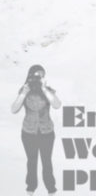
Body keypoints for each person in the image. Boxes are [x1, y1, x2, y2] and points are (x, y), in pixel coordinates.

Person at [11, 64, 61, 195]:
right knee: (31, 162)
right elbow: (14, 109)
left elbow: (57, 105)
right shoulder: (24, 90)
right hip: (28, 133)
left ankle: (51, 189)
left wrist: (44, 89)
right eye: (37, 75)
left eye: (42, 76)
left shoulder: (47, 90)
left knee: (46, 162)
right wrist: (24, 93)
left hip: (47, 133)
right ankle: (30, 189)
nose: (39, 78)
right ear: (29, 76)